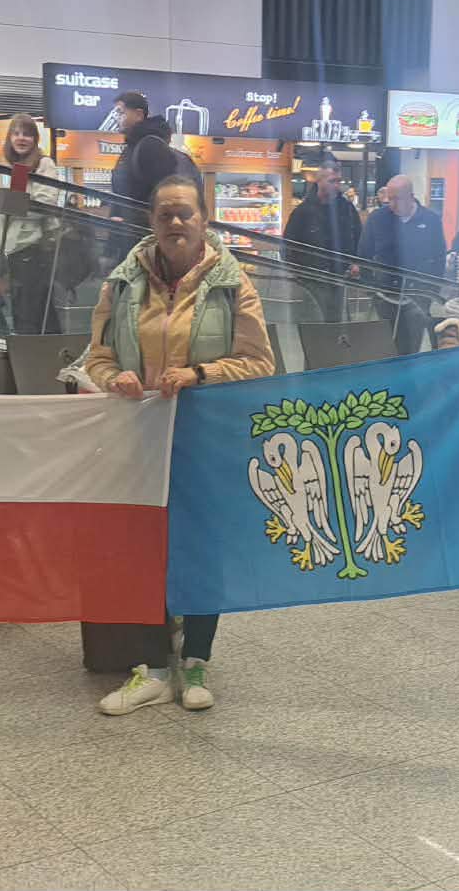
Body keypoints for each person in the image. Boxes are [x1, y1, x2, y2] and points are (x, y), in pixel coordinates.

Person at [82, 175, 275, 714]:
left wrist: (200, 373)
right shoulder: (121, 284)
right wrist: (114, 377)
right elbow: (95, 357)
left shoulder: (234, 284)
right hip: (140, 438)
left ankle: (195, 661)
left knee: (203, 547)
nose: (174, 222)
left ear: (204, 220)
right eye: (164, 213)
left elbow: (259, 362)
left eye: (184, 212)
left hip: (206, 438)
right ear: (151, 221)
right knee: (144, 548)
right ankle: (152, 668)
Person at [0, 113, 68, 334]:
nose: (21, 138)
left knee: (29, 315)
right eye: (16, 133)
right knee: (35, 313)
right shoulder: (11, 168)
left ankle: (34, 353)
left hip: (35, 250)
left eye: (27, 134)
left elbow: (41, 206)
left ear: (35, 139)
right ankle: (49, 352)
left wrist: (4, 203)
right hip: (14, 252)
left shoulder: (44, 164)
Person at [358, 174, 446, 353]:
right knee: (385, 349)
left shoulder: (431, 220)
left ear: (411, 196)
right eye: (389, 198)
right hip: (384, 296)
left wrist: (430, 293)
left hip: (418, 297)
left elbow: (439, 258)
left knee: (410, 348)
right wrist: (371, 290)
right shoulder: (377, 218)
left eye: (396, 199)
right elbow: (363, 254)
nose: (391, 204)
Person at [282, 158, 363, 321]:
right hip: (310, 281)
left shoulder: (347, 209)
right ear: (319, 181)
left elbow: (359, 237)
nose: (337, 185)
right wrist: (298, 274)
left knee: (335, 324)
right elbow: (288, 245)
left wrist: (356, 262)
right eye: (332, 181)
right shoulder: (303, 212)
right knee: (313, 324)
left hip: (339, 278)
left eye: (339, 181)